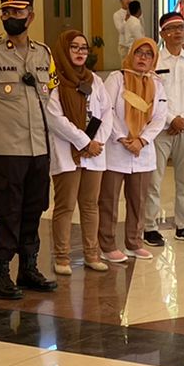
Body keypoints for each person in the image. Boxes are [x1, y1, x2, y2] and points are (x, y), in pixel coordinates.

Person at [0, 0, 57, 300]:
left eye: (17, 13)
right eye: (5, 12)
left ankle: (29, 267)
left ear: (30, 16)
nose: (10, 17)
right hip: (8, 150)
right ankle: (0, 273)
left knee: (35, 207)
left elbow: (50, 93)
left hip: (39, 148)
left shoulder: (43, 54)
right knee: (8, 211)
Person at [47, 29, 112, 273]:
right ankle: (61, 257)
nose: (80, 52)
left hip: (94, 152)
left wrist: (96, 143)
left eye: (83, 48)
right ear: (64, 50)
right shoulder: (55, 81)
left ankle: (91, 254)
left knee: (90, 205)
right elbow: (55, 118)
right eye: (74, 47)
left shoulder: (95, 80)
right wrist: (84, 142)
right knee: (65, 206)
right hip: (68, 151)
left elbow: (107, 112)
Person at [99, 37, 169, 263]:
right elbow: (106, 110)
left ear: (154, 59)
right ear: (131, 54)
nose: (143, 58)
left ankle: (134, 242)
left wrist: (142, 140)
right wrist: (123, 137)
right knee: (109, 200)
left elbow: (159, 118)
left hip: (142, 151)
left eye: (148, 55)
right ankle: (107, 245)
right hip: (116, 149)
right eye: (139, 53)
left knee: (138, 200)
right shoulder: (116, 78)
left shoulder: (157, 84)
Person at [145, 12, 184, 245]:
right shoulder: (155, 61)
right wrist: (171, 120)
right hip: (161, 129)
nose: (178, 32)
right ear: (162, 34)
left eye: (181, 27)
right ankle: (149, 227)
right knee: (154, 180)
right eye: (172, 29)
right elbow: (152, 96)